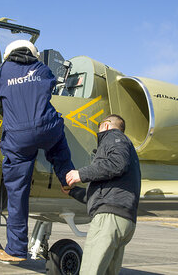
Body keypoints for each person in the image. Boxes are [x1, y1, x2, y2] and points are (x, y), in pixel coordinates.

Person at [0, 40, 74, 263]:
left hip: (18, 135)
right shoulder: (43, 69)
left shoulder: (0, 70)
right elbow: (49, 89)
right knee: (58, 143)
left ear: (8, 54)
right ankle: (67, 178)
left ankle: (16, 250)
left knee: (18, 191)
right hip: (47, 127)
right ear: (33, 53)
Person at [64, 114, 141, 275]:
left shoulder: (114, 137)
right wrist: (73, 192)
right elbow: (101, 195)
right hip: (123, 219)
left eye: (99, 126)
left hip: (109, 220)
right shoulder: (127, 147)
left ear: (106, 125)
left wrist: (81, 174)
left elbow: (117, 164)